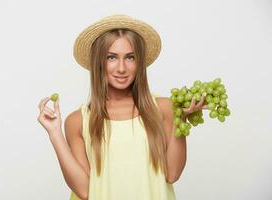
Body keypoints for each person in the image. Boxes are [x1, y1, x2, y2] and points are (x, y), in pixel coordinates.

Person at [37, 14, 207, 200]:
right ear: (99, 63)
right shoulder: (78, 121)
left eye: (130, 58)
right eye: (111, 57)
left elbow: (173, 174)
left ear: (139, 62)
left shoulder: (163, 108)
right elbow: (85, 191)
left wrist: (180, 119)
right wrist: (54, 133)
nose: (121, 68)